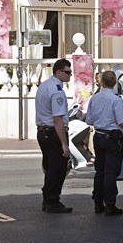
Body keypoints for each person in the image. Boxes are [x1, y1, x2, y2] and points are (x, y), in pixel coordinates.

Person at [85, 71, 123, 216]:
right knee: (110, 172)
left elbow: (89, 120)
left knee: (100, 171)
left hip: (99, 136)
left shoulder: (95, 98)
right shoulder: (116, 100)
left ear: (101, 82)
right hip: (112, 138)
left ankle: (98, 203)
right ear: (115, 82)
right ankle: (110, 204)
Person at [35, 58, 73, 213]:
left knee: (50, 168)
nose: (70, 76)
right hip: (53, 133)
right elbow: (57, 119)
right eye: (67, 72)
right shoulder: (56, 90)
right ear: (58, 72)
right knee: (58, 168)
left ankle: (47, 199)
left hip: (43, 132)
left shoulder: (45, 85)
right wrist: (64, 144)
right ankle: (53, 200)